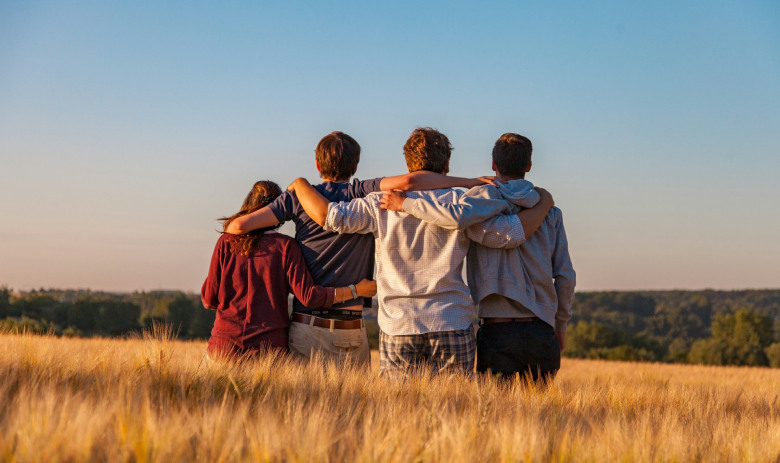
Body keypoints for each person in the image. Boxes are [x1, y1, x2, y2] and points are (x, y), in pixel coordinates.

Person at [288, 127, 554, 377]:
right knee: (455, 413)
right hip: (451, 320)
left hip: (399, 324)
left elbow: (331, 217)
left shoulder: (378, 203)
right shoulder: (462, 204)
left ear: (408, 165)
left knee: (399, 414)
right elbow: (509, 235)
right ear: (447, 165)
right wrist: (544, 204)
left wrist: (300, 185)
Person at [224, 131, 493, 366]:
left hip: (307, 324)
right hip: (351, 327)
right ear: (356, 165)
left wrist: (296, 188)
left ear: (318, 164)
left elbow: (237, 228)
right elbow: (411, 183)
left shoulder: (297, 198)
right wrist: (468, 182)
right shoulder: (362, 192)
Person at [381, 133, 575, 383]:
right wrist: (560, 325)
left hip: (498, 330)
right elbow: (565, 276)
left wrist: (406, 204)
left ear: (493, 164)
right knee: (538, 418)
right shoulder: (550, 212)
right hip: (542, 329)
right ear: (528, 166)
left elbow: (456, 218)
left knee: (495, 416)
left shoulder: (477, 204)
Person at [201, 180, 377, 361]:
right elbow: (309, 296)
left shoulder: (226, 242)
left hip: (223, 348)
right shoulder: (286, 247)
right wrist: (356, 290)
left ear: (249, 204)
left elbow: (209, 299)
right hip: (269, 352)